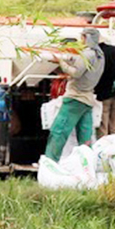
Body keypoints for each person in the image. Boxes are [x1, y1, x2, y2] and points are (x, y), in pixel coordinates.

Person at [45, 28, 104, 162]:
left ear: (87, 38)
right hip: (87, 99)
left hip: (75, 99)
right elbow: (80, 64)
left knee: (58, 132)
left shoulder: (88, 54)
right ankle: (87, 164)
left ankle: (50, 163)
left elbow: (76, 72)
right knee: (85, 136)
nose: (81, 40)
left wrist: (62, 63)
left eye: (83, 37)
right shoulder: (99, 55)